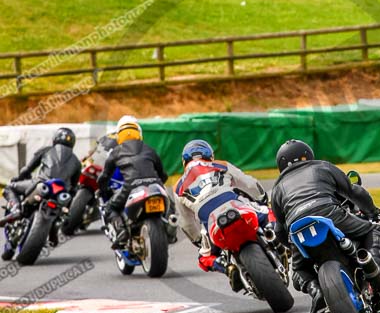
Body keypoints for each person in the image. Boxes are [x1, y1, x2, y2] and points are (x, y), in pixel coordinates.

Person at [270, 139, 380, 313]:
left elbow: (279, 230)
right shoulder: (322, 167)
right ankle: (378, 268)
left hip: (297, 228)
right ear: (308, 154)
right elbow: (354, 191)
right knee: (374, 230)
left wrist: (292, 246)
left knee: (299, 270)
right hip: (328, 213)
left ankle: (317, 292)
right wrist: (372, 211)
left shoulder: (277, 189)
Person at [174, 139, 268, 289]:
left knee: (204, 258)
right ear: (210, 156)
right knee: (268, 214)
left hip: (213, 225)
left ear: (184, 161)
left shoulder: (178, 188)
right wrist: (263, 199)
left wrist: (198, 240)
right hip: (237, 208)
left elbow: (186, 223)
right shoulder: (221, 165)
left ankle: (227, 268)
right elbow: (249, 184)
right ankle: (277, 240)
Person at [1, 127, 81, 260]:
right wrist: (68, 210)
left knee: (10, 188)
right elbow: (74, 187)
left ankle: (16, 209)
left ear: (55, 139)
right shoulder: (76, 162)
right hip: (60, 192)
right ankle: (54, 230)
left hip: (41, 184)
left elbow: (28, 169)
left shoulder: (46, 150)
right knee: (64, 208)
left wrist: (19, 178)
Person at [98, 115, 173, 247]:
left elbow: (105, 176)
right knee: (170, 204)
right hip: (155, 185)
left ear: (118, 135)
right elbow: (163, 174)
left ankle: (122, 231)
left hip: (130, 187)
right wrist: (157, 183)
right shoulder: (149, 149)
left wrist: (102, 188)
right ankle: (171, 227)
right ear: (139, 133)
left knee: (109, 208)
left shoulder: (115, 152)